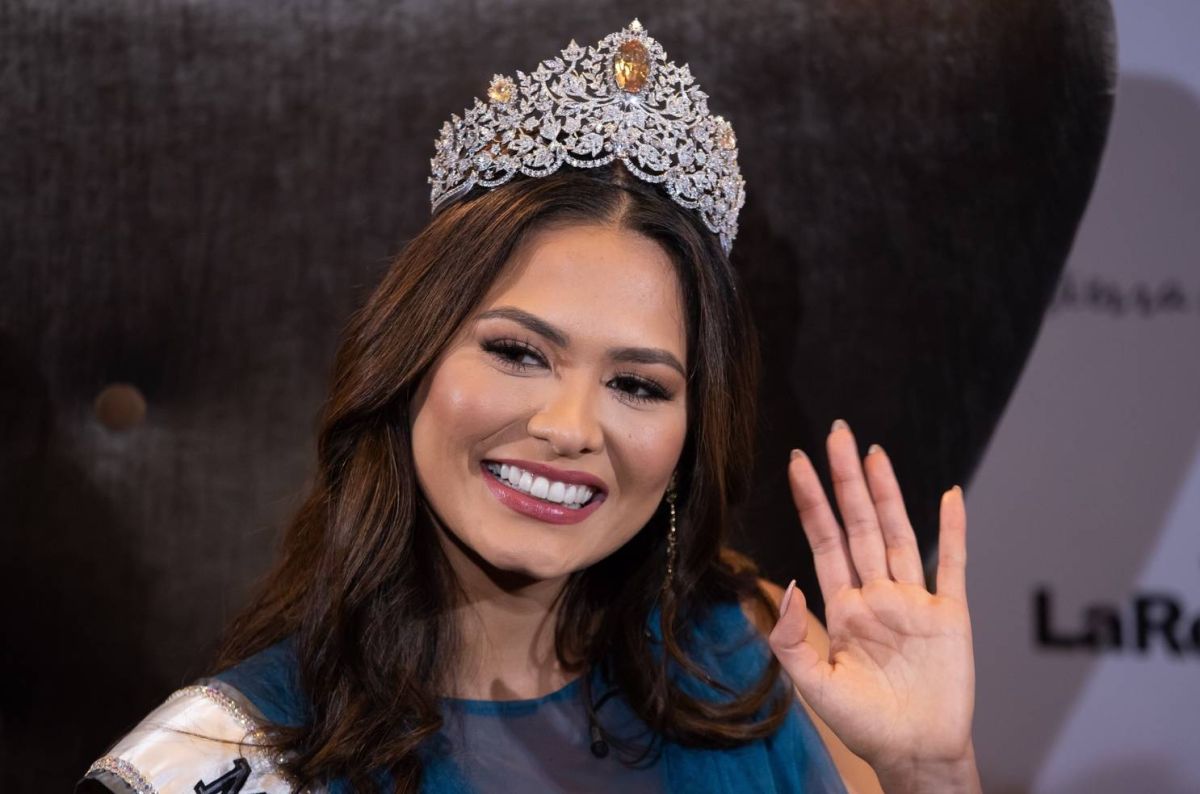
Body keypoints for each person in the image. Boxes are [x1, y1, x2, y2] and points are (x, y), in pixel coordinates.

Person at [79, 20, 980, 794]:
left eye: (638, 385)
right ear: (411, 358)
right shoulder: (224, 759)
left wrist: (931, 772)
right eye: (517, 352)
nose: (570, 428)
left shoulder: (742, 648)